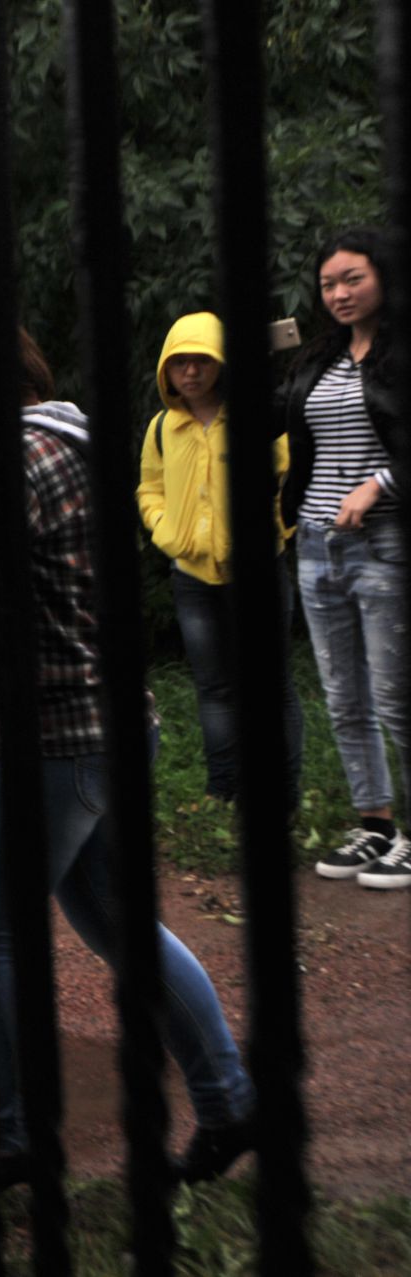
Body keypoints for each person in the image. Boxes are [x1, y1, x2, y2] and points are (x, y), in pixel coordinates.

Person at [0, 293, 255, 1196]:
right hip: (98, 728)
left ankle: (15, 1138)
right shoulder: (61, 434)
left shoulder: (22, 452)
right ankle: (231, 1101)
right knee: (121, 926)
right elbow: (14, 573)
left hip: (52, 736)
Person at [282, 228, 411, 889]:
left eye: (352, 278)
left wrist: (379, 483)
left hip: (384, 542)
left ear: (383, 276)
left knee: (395, 696)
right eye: (330, 283)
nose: (339, 292)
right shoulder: (317, 359)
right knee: (344, 698)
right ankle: (377, 825)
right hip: (315, 541)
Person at [135, 312, 302, 809]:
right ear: (166, 371)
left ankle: (284, 793)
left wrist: (274, 529)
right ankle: (222, 790)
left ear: (220, 364)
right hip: (191, 578)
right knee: (214, 688)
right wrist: (169, 534)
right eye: (180, 362)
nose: (190, 372)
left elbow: (291, 477)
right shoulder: (164, 427)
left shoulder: (258, 417)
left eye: (201, 360)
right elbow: (150, 488)